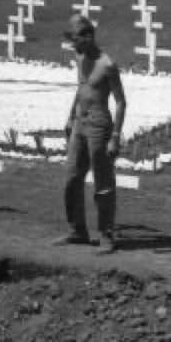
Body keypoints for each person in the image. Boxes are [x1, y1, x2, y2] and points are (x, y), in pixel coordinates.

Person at [58, 14, 126, 254]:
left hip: (99, 126)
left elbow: (120, 102)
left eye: (75, 39)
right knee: (71, 177)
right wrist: (69, 116)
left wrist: (115, 136)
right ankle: (77, 230)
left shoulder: (107, 64)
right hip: (79, 123)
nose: (72, 44)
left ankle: (106, 235)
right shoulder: (80, 58)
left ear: (88, 37)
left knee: (103, 182)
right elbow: (81, 88)